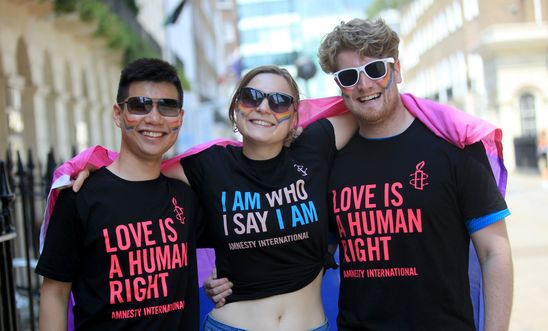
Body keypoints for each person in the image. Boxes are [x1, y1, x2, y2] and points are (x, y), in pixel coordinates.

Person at [49, 65, 358, 330]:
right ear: (236, 109)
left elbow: (372, 107)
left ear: (294, 116)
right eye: (251, 97)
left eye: (279, 102)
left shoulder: (317, 144)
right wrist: (89, 163)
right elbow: (141, 161)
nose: (264, 108)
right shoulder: (209, 163)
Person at [315, 18, 513, 330]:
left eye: (376, 69)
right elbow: (308, 254)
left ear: (397, 70)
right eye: (349, 76)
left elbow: (494, 251)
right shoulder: (328, 161)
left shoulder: (456, 146)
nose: (364, 85)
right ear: (339, 85)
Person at [36, 58, 204, 330]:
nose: (154, 118)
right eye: (139, 105)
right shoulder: (79, 195)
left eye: (167, 106)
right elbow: (55, 293)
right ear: (118, 114)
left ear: (180, 118)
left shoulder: (188, 197)